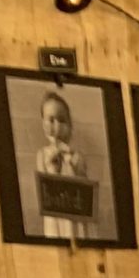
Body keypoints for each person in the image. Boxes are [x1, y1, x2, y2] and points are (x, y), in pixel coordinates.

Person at [33, 88, 92, 242]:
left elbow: (85, 191)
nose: (57, 125)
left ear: (69, 125)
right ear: (43, 123)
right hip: (55, 216)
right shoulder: (42, 154)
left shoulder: (77, 156)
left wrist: (72, 162)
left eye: (62, 120)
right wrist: (52, 166)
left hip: (74, 214)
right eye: (51, 120)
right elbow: (44, 188)